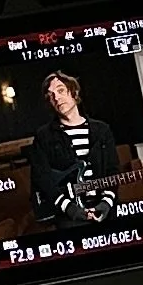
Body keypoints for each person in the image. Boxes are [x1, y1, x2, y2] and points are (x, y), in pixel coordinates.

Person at [26, 68, 124, 228]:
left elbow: (112, 171)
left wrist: (106, 203)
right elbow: (42, 178)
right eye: (51, 96)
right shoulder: (44, 136)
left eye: (60, 90)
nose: (56, 97)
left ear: (73, 92)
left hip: (104, 208)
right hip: (68, 214)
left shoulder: (102, 130)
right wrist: (70, 209)